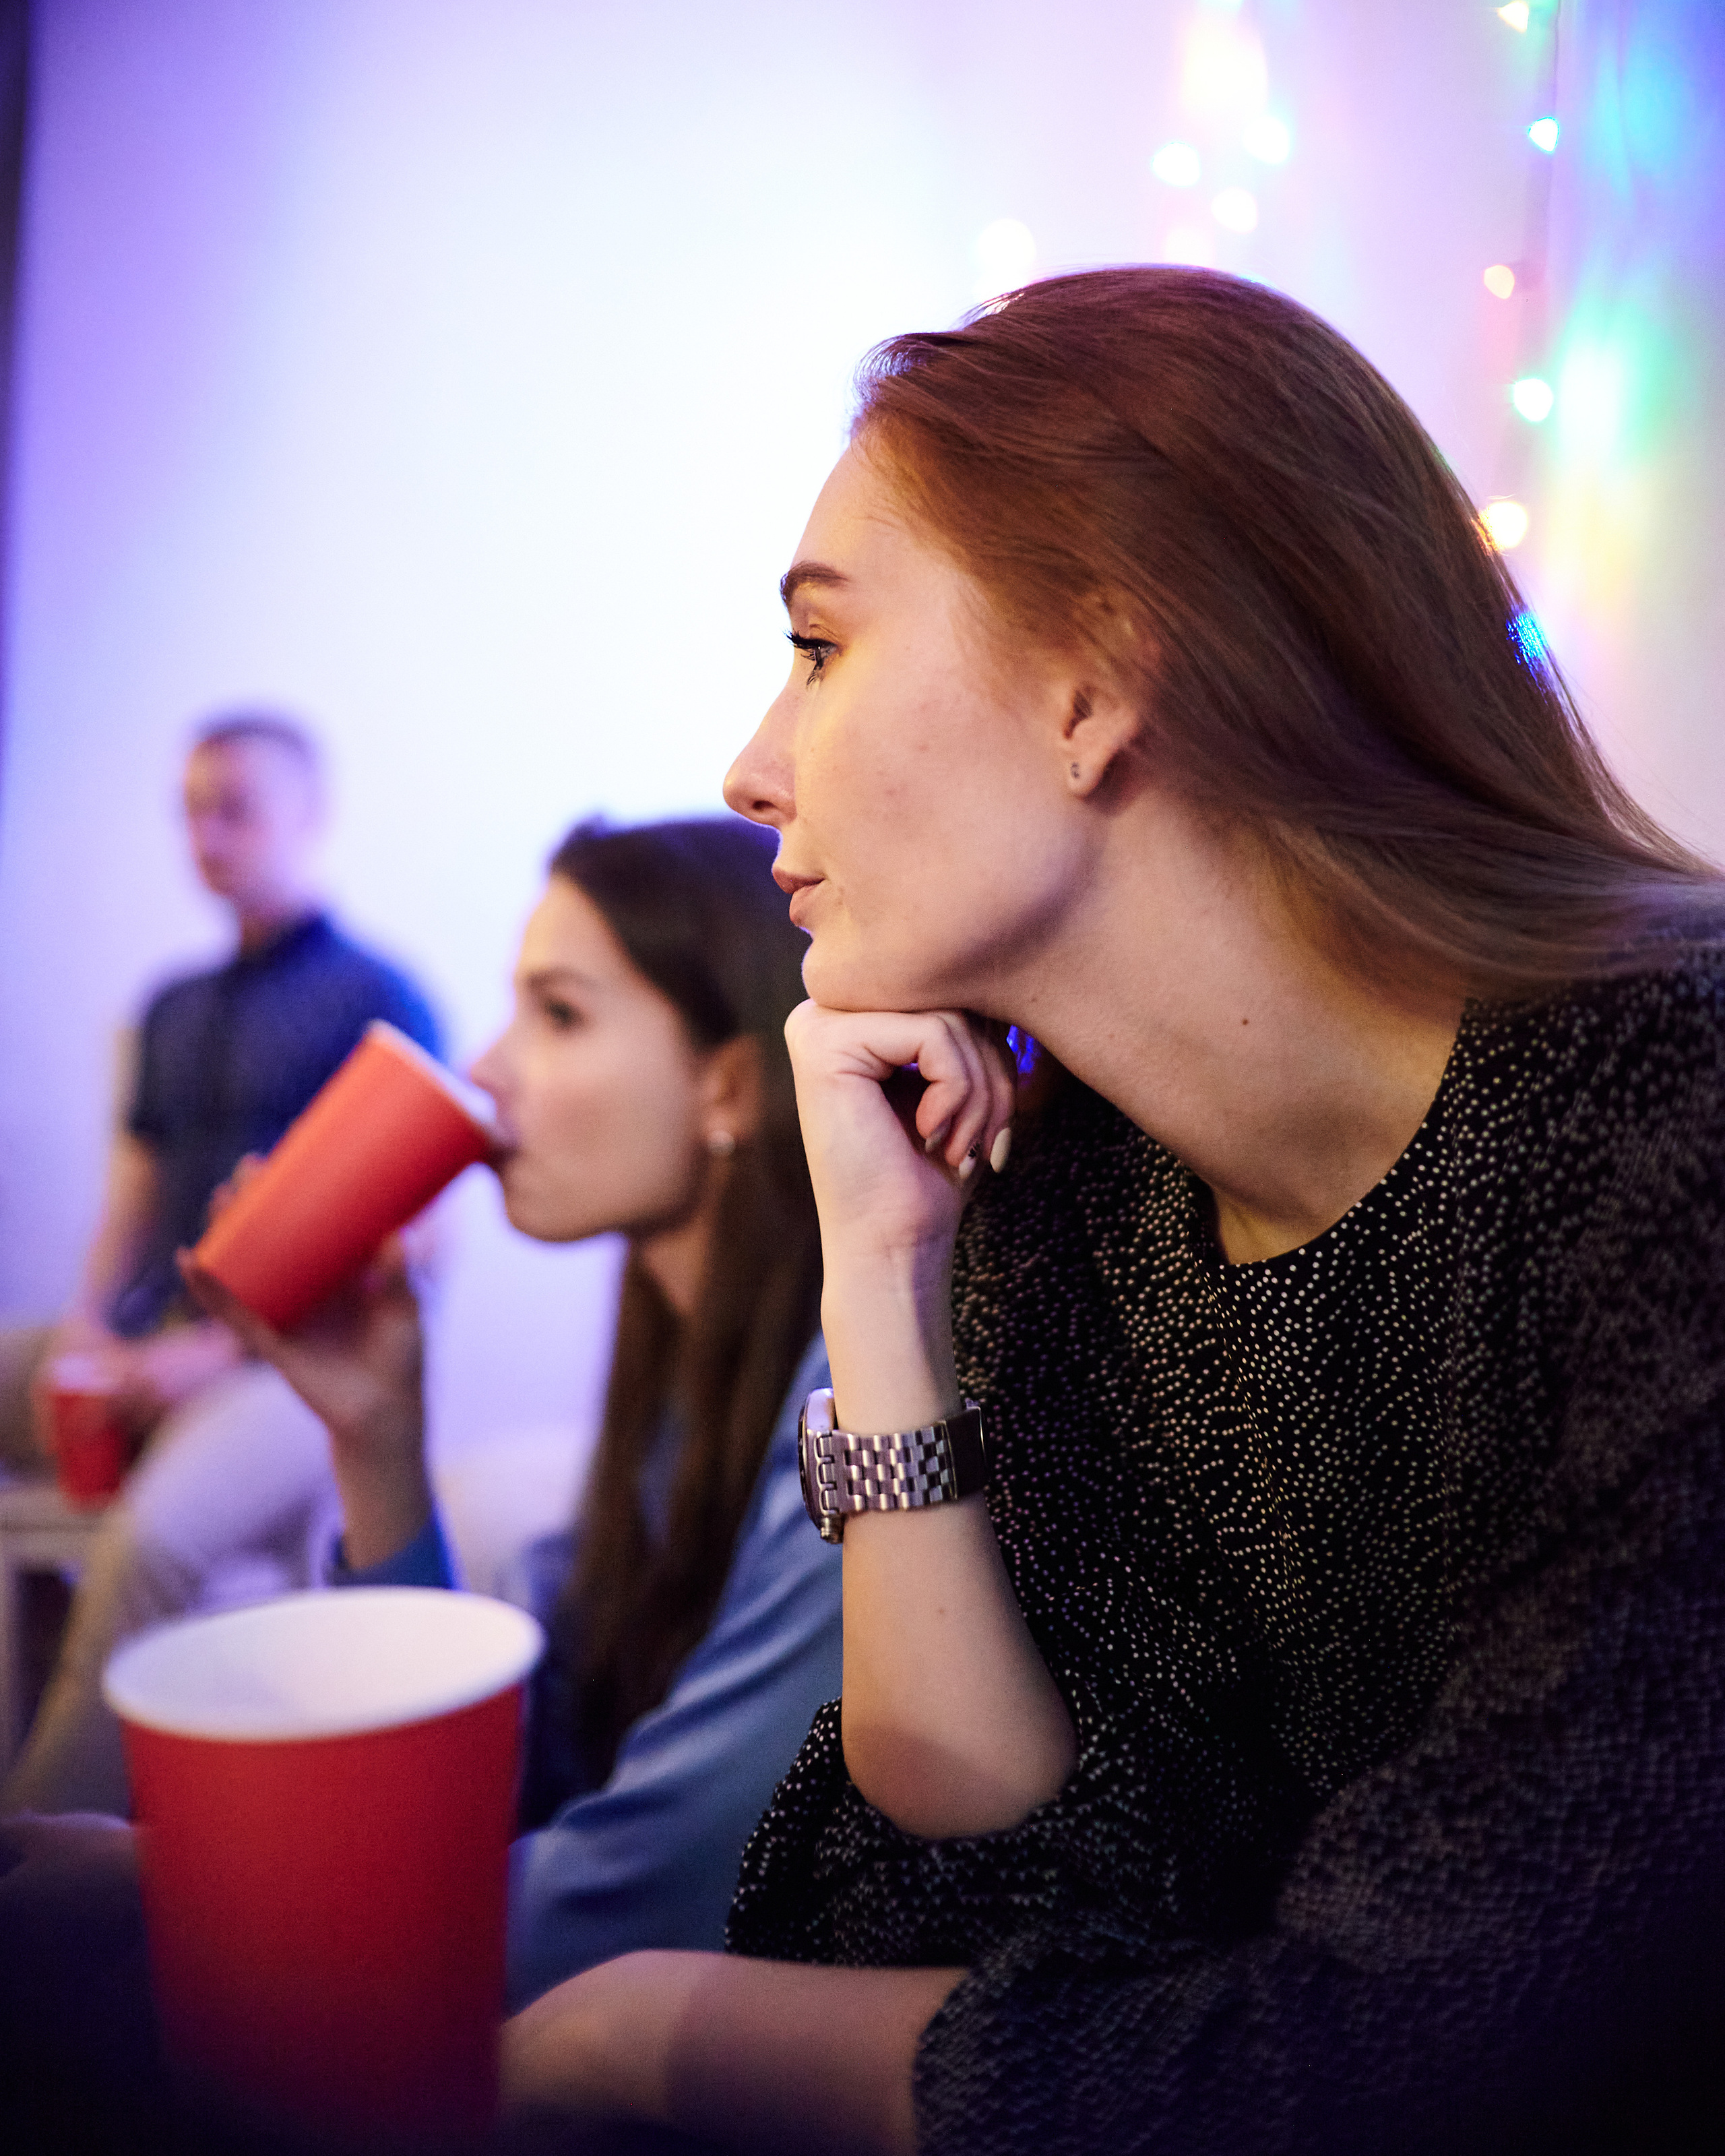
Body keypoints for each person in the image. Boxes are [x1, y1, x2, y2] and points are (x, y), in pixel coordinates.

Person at [493, 269, 1725, 2154]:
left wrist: (641, 2035)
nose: (751, 771)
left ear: (1095, 682)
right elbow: (952, 1894)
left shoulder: (1675, 1140)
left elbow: (1421, 2060)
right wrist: (884, 1285)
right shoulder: (1087, 1206)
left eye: (821, 649)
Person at [183, 815, 841, 2006]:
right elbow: (518, 1785)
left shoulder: (854, 1404)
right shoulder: (677, 1413)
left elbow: (619, 1904)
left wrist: (168, 1898)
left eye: (561, 1013)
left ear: (729, 1083)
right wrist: (375, 1438)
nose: (486, 1070)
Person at [1, 712, 441, 1815]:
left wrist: (217, 1352)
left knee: (149, 1542)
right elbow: (133, 1198)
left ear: (310, 815)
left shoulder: (376, 998)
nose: (207, 834)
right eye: (192, 810)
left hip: (279, 1372)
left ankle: (42, 1848)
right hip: (146, 1340)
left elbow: (422, 1237)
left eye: (234, 807)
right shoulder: (169, 1006)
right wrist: (88, 1324)